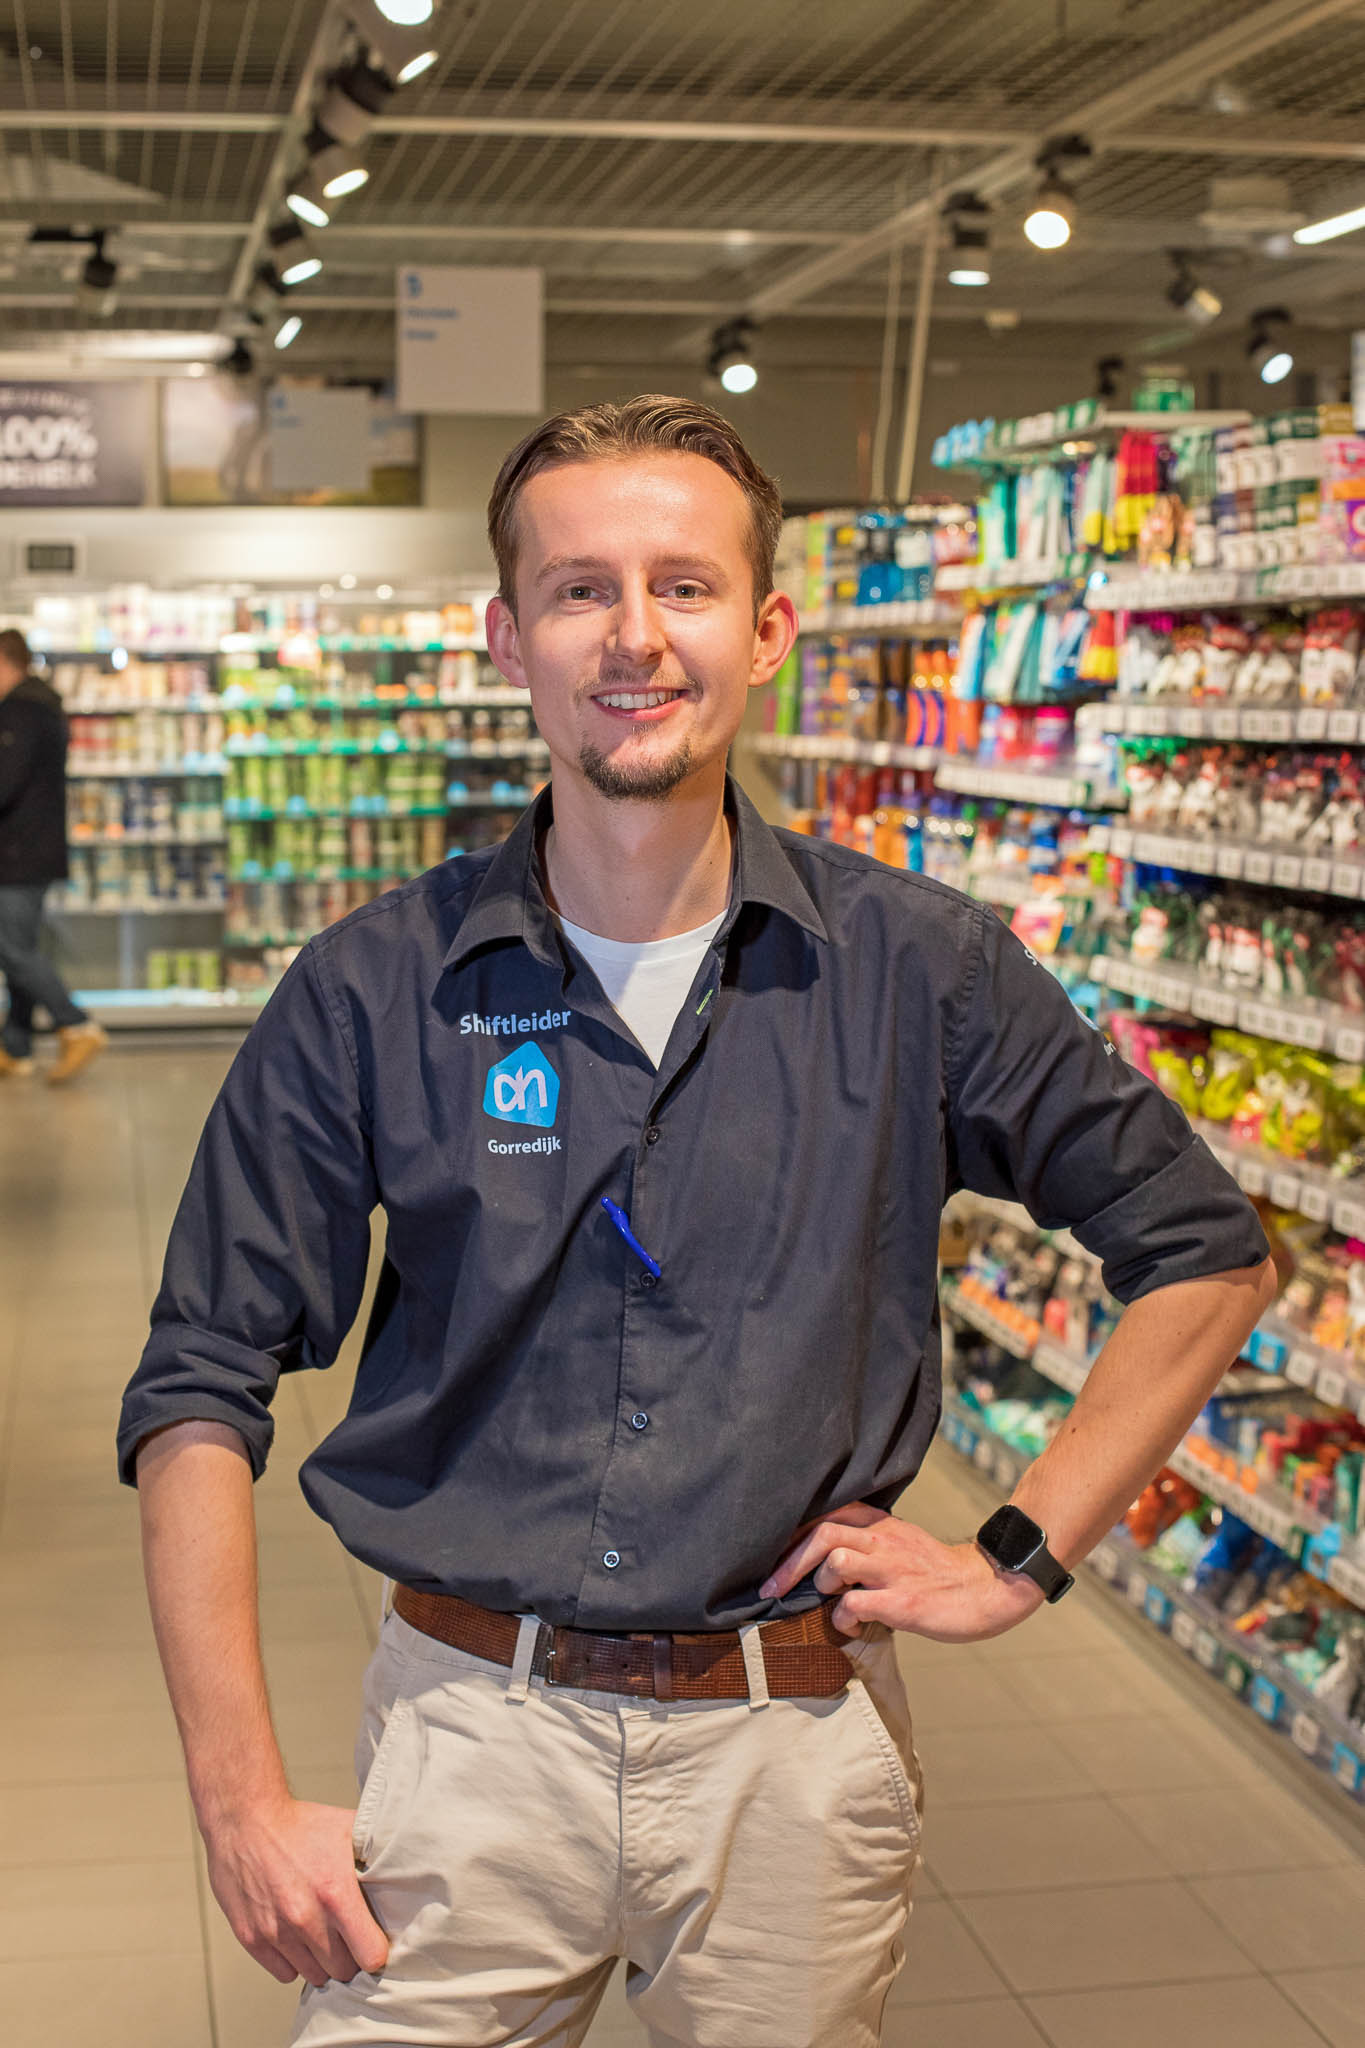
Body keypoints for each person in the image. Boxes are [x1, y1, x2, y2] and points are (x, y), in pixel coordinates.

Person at [119, 395, 1276, 2048]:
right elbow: (199, 1377)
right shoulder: (373, 986)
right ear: (507, 634)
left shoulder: (922, 968)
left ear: (769, 628)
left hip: (792, 1759)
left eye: (686, 584)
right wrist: (238, 1797)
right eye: (582, 588)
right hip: (464, 1737)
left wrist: (1016, 1554)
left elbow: (1207, 1245)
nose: (635, 635)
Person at [0, 627, 108, 1083]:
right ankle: (16, 1045)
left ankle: (75, 1023)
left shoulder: (19, 713)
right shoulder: (43, 706)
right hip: (35, 849)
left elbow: (5, 783)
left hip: (16, 851)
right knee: (20, 944)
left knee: (12, 947)